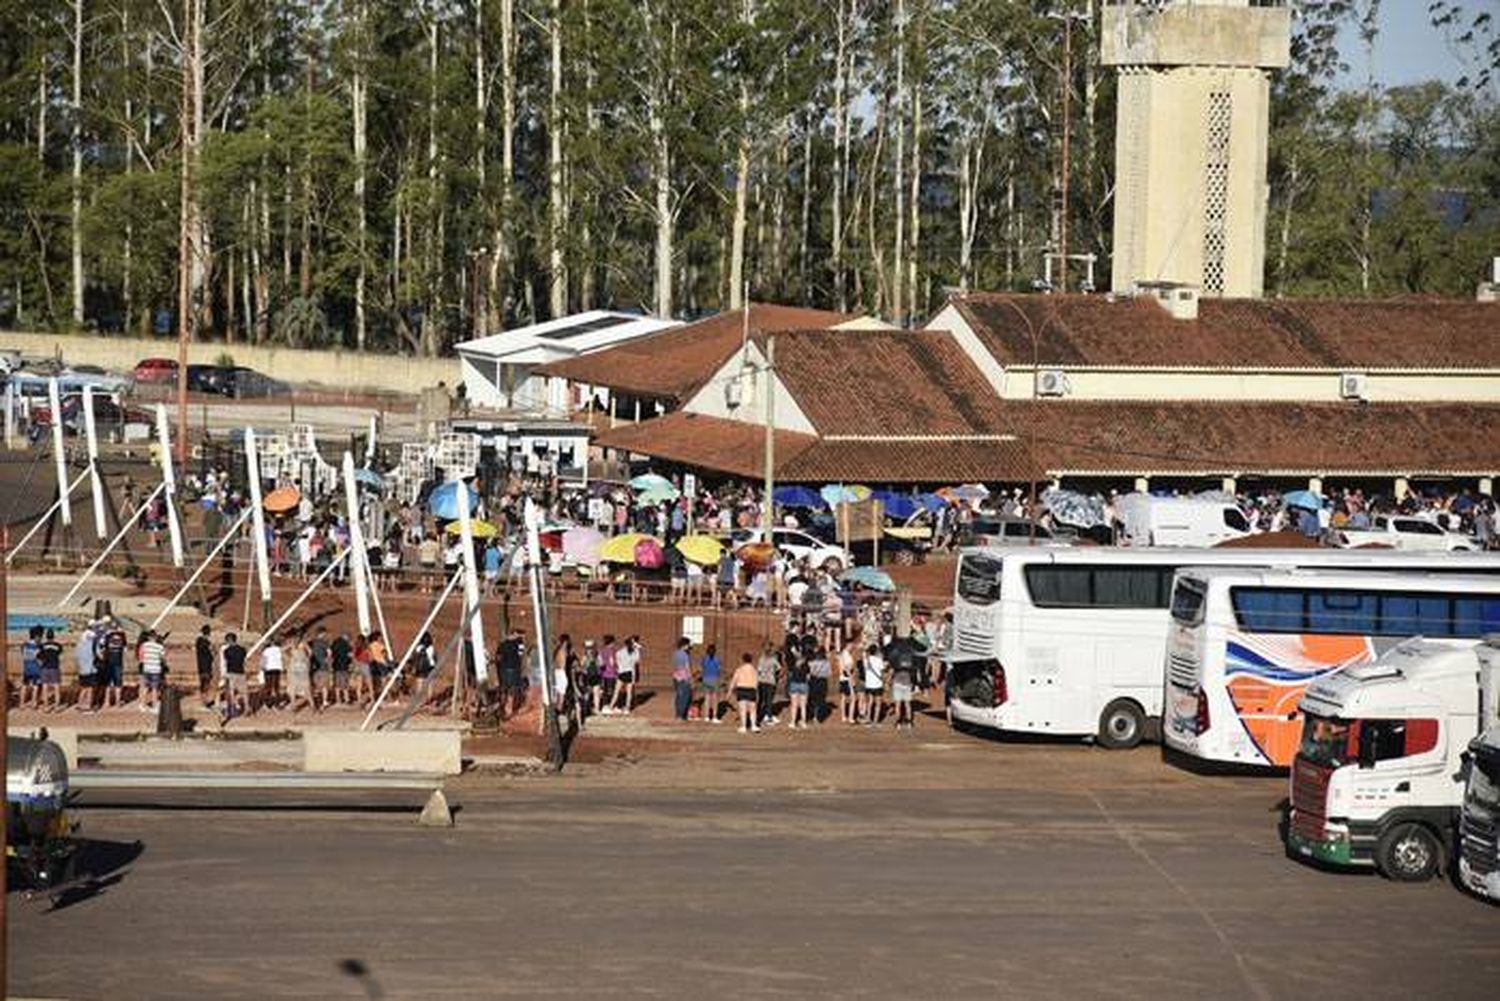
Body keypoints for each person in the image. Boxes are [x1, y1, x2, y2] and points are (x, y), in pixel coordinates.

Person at [221, 632, 249, 719]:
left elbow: (226, 661)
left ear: (229, 640)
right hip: (241, 672)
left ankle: (232, 711)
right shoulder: (243, 649)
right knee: (244, 692)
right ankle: (247, 708)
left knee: (231, 692)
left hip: (231, 673)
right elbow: (244, 659)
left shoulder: (226, 651)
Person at [731, 652, 761, 734]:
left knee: (742, 709)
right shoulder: (754, 670)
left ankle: (743, 726)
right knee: (753, 710)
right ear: (751, 660)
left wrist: (730, 691)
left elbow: (734, 680)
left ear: (743, 660)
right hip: (751, 689)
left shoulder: (739, 669)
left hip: (741, 689)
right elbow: (756, 681)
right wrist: (756, 691)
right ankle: (754, 726)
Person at [610, 635, 641, 714]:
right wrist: (637, 648)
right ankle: (627, 708)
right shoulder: (635, 652)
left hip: (621, 672)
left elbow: (616, 662)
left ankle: (611, 706)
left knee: (616, 691)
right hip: (630, 672)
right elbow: (636, 662)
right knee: (629, 692)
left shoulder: (620, 652)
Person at [137, 629, 166, 712]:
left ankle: (142, 705)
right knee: (154, 689)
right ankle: (154, 706)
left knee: (145, 687)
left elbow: (141, 658)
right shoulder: (159, 647)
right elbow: (163, 658)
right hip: (156, 669)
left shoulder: (144, 645)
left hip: (146, 668)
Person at [102, 618, 127, 709]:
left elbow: (103, 648)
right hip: (118, 662)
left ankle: (107, 702)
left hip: (109, 662)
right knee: (118, 683)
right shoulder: (122, 635)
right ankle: (117, 702)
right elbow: (125, 648)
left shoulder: (108, 636)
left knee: (108, 683)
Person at [74, 623, 99, 712]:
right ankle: (88, 706)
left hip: (82, 669)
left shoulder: (80, 644)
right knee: (90, 688)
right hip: (90, 668)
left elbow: (77, 656)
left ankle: (80, 704)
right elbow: (97, 654)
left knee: (83, 688)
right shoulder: (91, 644)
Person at [37, 628, 64, 712]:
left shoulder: (42, 646)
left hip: (45, 667)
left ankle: (46, 706)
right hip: (55, 667)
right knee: (56, 687)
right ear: (53, 636)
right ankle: (56, 706)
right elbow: (59, 653)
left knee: (45, 687)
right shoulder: (58, 646)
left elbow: (38, 656)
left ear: (46, 636)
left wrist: (41, 663)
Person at [785, 642, 810, 729]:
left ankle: (792, 722)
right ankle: (803, 722)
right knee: (803, 706)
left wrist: (793, 651)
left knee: (794, 705)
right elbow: (808, 676)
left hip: (794, 684)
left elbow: (790, 672)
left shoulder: (793, 664)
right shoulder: (806, 665)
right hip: (803, 684)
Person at [755, 642, 779, 727]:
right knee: (769, 700)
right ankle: (768, 717)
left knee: (761, 700)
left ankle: (757, 715)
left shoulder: (761, 659)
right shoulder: (773, 660)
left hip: (761, 681)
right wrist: (777, 677)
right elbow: (779, 669)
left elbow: (759, 671)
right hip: (770, 681)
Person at [861, 643, 886, 726]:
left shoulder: (866, 660)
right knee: (878, 704)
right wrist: (884, 681)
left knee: (870, 702)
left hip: (869, 684)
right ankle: (875, 721)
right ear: (876, 651)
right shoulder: (879, 660)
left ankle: (868, 719)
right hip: (877, 684)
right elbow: (882, 673)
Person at [671, 637, 694, 721]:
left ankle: (678, 714)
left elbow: (675, 665)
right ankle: (681, 715)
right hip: (684, 677)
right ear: (684, 645)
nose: (689, 647)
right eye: (688, 645)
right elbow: (687, 667)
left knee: (678, 696)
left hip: (676, 676)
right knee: (685, 697)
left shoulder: (675, 653)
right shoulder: (685, 655)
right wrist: (691, 679)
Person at [807, 644, 831, 725]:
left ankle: (812, 716)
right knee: (820, 700)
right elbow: (829, 673)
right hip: (823, 682)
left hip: (814, 682)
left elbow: (810, 673)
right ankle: (817, 718)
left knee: (812, 700)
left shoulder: (812, 662)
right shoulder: (827, 662)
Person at [309, 626, 331, 709]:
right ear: (322, 633)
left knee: (315, 684)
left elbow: (309, 652)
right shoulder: (324, 642)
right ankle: (324, 701)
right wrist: (327, 660)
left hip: (314, 666)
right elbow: (329, 652)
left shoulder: (311, 642)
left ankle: (316, 701)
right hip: (323, 666)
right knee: (324, 685)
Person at [699, 643, 722, 724]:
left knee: (707, 699)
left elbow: (701, 669)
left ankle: (706, 716)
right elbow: (719, 670)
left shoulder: (704, 659)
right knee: (715, 700)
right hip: (714, 679)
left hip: (706, 679)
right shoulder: (717, 659)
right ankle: (714, 717)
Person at [260, 637, 285, 710]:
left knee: (268, 687)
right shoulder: (279, 649)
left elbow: (263, 661)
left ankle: (267, 704)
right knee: (276, 687)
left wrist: (262, 668)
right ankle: (277, 704)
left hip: (268, 669)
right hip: (277, 669)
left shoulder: (266, 650)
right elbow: (282, 658)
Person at [20, 626, 41, 709]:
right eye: (39, 636)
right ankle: (33, 702)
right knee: (35, 686)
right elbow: (39, 658)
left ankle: (21, 703)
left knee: (24, 685)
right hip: (35, 668)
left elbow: (23, 654)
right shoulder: (38, 646)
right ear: (36, 636)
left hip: (26, 667)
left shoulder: (24, 645)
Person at [581, 639, 603, 719]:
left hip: (587, 677)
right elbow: (601, 665)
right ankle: (596, 709)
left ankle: (586, 709)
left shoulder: (585, 656)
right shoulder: (597, 655)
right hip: (596, 676)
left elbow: (582, 667)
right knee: (596, 693)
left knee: (587, 693)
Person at [331, 631, 353, 706]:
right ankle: (347, 699)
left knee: (337, 684)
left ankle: (338, 699)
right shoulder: (347, 644)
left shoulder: (335, 642)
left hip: (336, 666)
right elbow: (350, 655)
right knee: (345, 684)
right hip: (344, 666)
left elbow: (331, 653)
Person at [195, 625, 215, 703]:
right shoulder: (206, 643)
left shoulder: (198, 641)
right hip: (206, 665)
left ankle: (203, 698)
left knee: (203, 682)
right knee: (206, 682)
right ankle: (205, 699)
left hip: (201, 665)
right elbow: (210, 653)